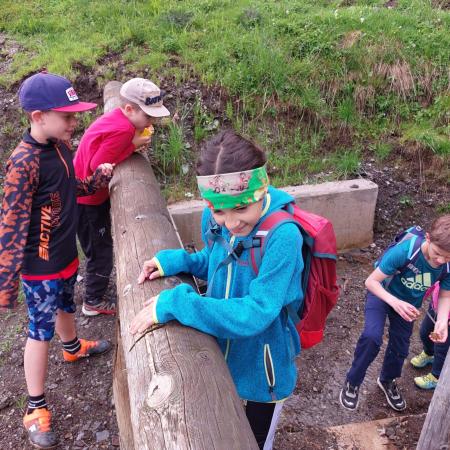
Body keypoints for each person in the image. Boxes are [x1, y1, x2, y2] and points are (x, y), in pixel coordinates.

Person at [130, 130, 304, 449]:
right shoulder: (215, 221)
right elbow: (214, 260)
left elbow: (256, 312)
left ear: (261, 190)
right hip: (223, 351)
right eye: (219, 210)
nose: (231, 222)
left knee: (253, 440)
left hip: (263, 367)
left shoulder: (284, 237)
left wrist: (179, 303)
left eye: (241, 209)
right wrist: (174, 261)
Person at [0, 72, 113, 449]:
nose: (73, 122)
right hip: (40, 266)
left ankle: (73, 348)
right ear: (37, 116)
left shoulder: (60, 146)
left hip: (65, 256)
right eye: (66, 115)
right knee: (38, 330)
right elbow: (11, 225)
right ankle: (34, 407)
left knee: (67, 304)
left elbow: (67, 188)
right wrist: (7, 284)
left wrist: (95, 180)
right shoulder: (23, 163)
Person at [74, 77, 170, 316]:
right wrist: (132, 144)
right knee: (101, 250)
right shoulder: (124, 129)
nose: (150, 121)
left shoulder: (117, 119)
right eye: (148, 116)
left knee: (98, 246)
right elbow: (99, 165)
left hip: (83, 196)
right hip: (87, 200)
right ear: (129, 109)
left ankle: (93, 287)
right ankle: (92, 301)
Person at [340, 215, 450, 412]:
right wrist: (395, 302)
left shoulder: (447, 266)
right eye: (437, 253)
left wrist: (442, 321)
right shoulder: (406, 251)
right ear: (427, 238)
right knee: (372, 337)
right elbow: (371, 282)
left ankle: (387, 380)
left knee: (400, 345)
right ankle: (353, 381)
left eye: (448, 257)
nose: (440, 260)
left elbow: (444, 296)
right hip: (382, 294)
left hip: (408, 305)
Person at [410, 281, 450, 389]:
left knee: (441, 349)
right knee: (425, 332)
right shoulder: (446, 268)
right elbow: (433, 283)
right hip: (434, 308)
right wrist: (419, 300)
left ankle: (436, 377)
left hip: (448, 321)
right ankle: (428, 354)